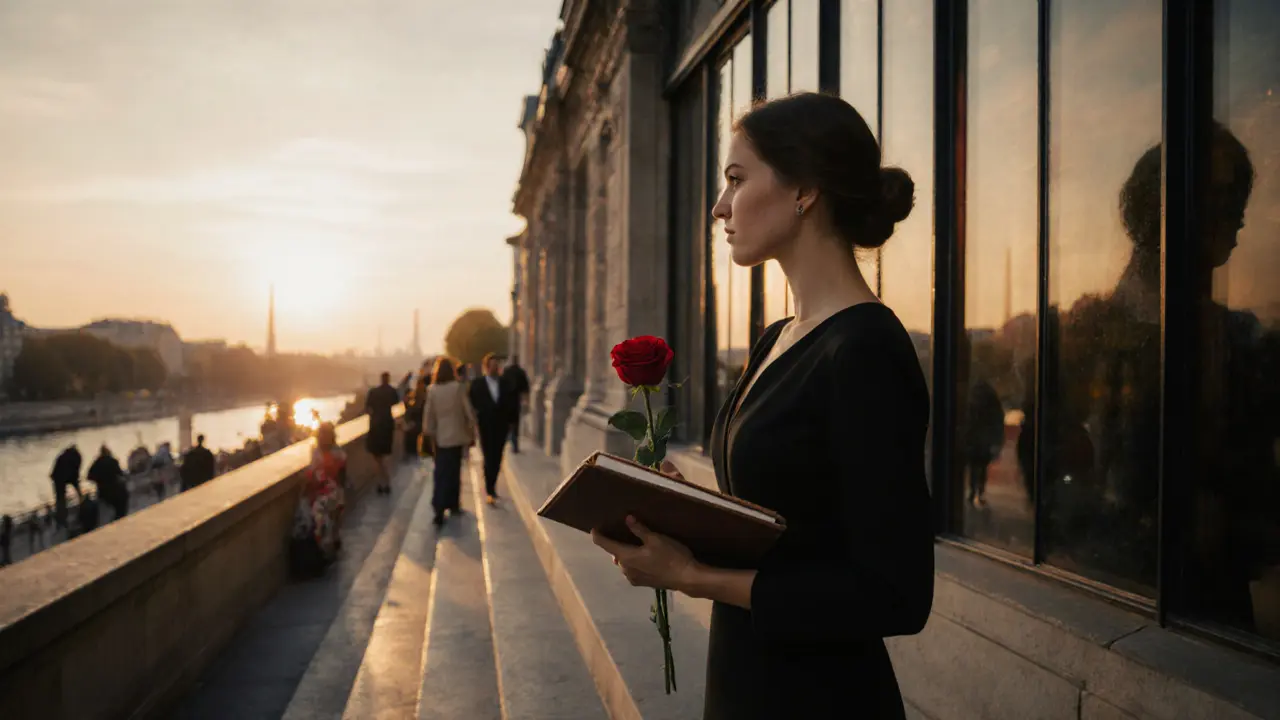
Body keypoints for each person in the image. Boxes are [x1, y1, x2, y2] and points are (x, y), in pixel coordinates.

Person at [589, 93, 934, 719]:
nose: (720, 206)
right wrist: (683, 512)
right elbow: (794, 521)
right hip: (746, 676)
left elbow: (897, 595)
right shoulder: (778, 336)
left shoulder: (866, 350)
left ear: (804, 189)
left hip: (820, 698)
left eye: (736, 179)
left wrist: (691, 577)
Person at [423, 356, 475, 527]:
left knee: (440, 472)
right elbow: (468, 411)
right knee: (454, 471)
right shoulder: (458, 388)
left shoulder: (432, 390)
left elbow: (428, 416)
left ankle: (438, 506)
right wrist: (471, 428)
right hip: (457, 436)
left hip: (440, 437)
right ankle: (453, 504)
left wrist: (429, 433)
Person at [290, 422, 348, 576]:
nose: (323, 438)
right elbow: (314, 472)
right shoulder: (316, 452)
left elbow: (338, 477)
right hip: (322, 490)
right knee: (316, 507)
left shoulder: (338, 454)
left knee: (319, 509)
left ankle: (326, 547)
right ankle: (327, 546)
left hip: (332, 491)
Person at [468, 353, 514, 504]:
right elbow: (471, 402)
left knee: (497, 456)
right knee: (488, 456)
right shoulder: (477, 384)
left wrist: (511, 423)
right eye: (492, 366)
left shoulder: (505, 383)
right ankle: (490, 489)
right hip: (485, 426)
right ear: (486, 367)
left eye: (497, 366)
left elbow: (511, 405)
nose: (495, 368)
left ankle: (492, 483)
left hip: (501, 426)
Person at [364, 372, 400, 495]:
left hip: (375, 427)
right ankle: (385, 482)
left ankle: (382, 482)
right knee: (384, 456)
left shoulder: (373, 392)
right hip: (387, 426)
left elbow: (367, 409)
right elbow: (396, 404)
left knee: (377, 457)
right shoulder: (392, 392)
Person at [87, 446, 129, 521]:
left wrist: (98, 479)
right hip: (115, 491)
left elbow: (89, 477)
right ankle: (119, 519)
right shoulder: (112, 461)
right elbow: (120, 474)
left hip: (102, 493)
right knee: (122, 505)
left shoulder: (96, 463)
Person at [49, 444, 83, 531]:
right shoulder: (77, 456)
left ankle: (61, 520)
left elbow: (55, 470)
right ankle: (83, 508)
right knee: (78, 493)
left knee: (60, 499)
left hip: (58, 477)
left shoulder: (62, 456)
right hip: (65, 476)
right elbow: (76, 471)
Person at [501, 355, 530, 453]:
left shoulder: (507, 371)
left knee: (507, 422)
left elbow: (501, 385)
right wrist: (526, 401)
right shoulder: (520, 372)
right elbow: (525, 389)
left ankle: (505, 442)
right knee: (515, 423)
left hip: (506, 400)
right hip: (516, 400)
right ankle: (515, 444)